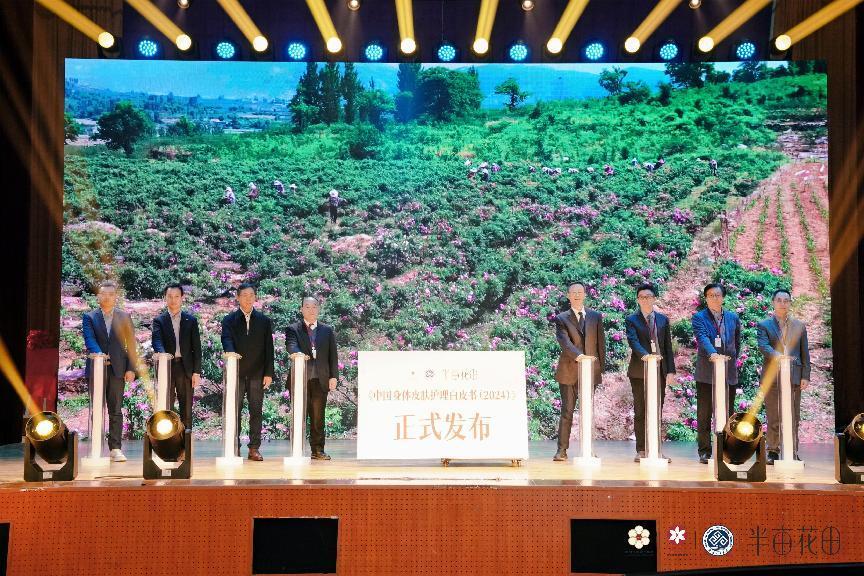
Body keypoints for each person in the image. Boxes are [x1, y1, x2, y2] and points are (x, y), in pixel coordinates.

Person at [82, 280, 139, 462]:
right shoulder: (89, 317)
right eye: (103, 294)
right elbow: (89, 339)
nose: (107, 297)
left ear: (115, 297)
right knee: (97, 409)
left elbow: (131, 345)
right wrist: (99, 355)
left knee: (115, 410)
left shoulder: (124, 317)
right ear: (98, 296)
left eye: (111, 294)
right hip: (96, 370)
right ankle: (96, 448)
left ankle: (115, 449)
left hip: (118, 370)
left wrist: (131, 368)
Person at [221, 283, 275, 461]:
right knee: (234, 411)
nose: (248, 298)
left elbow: (269, 349)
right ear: (238, 297)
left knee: (256, 411)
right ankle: (234, 447)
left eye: (251, 295)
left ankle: (254, 448)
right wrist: (231, 354)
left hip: (257, 373)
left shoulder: (264, 321)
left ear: (255, 297)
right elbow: (226, 340)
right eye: (244, 295)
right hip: (236, 373)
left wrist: (268, 373)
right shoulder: (229, 320)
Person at [552, 282, 606, 461]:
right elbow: (565, 343)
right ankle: (561, 450)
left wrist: (600, 368)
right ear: (568, 295)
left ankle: (588, 449)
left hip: (590, 371)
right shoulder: (561, 318)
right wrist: (580, 356)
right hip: (569, 371)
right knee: (567, 411)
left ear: (585, 295)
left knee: (588, 412)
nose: (577, 295)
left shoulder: (595, 316)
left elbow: (601, 344)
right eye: (573, 292)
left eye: (580, 292)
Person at [756, 289, 810, 463]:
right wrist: (779, 356)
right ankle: (773, 451)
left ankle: (792, 451)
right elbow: (764, 346)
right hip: (772, 378)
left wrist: (805, 375)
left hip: (794, 377)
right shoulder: (764, 325)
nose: (782, 303)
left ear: (790, 303)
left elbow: (804, 352)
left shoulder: (799, 326)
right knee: (774, 415)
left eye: (786, 300)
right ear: (773, 302)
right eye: (779, 300)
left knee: (793, 416)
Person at [625, 283, 676, 462]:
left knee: (656, 410)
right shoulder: (631, 319)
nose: (646, 300)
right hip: (639, 371)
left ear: (654, 299)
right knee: (641, 410)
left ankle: (656, 449)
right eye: (642, 297)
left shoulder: (662, 320)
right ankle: (641, 449)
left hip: (659, 372)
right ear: (638, 300)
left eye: (649, 297)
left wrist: (670, 370)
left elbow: (667, 346)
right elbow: (633, 341)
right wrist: (646, 356)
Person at [691, 283, 742, 463]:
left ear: (723, 297)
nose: (714, 298)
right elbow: (702, 337)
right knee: (704, 414)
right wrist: (713, 353)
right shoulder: (699, 317)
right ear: (706, 298)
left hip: (727, 373)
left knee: (728, 413)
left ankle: (726, 450)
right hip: (707, 373)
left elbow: (737, 342)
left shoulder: (732, 317)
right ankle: (705, 451)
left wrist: (728, 359)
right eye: (711, 295)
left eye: (717, 295)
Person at [285, 296, 339, 460]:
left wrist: (333, 376)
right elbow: (291, 345)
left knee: (318, 418)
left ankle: (317, 450)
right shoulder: (293, 329)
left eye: (314, 306)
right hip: (300, 380)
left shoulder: (327, 330)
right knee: (299, 416)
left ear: (318, 309)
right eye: (307, 307)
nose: (311, 310)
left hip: (320, 380)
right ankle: (297, 450)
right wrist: (298, 354)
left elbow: (333, 355)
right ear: (301, 309)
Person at [151, 283, 202, 429]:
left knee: (186, 407)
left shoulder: (190, 320)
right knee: (166, 406)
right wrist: (163, 355)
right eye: (170, 296)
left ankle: (186, 440)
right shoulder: (159, 320)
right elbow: (157, 341)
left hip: (186, 368)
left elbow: (196, 348)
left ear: (182, 298)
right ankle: (168, 439)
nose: (173, 300)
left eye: (176, 296)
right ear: (165, 298)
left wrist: (196, 372)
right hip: (166, 367)